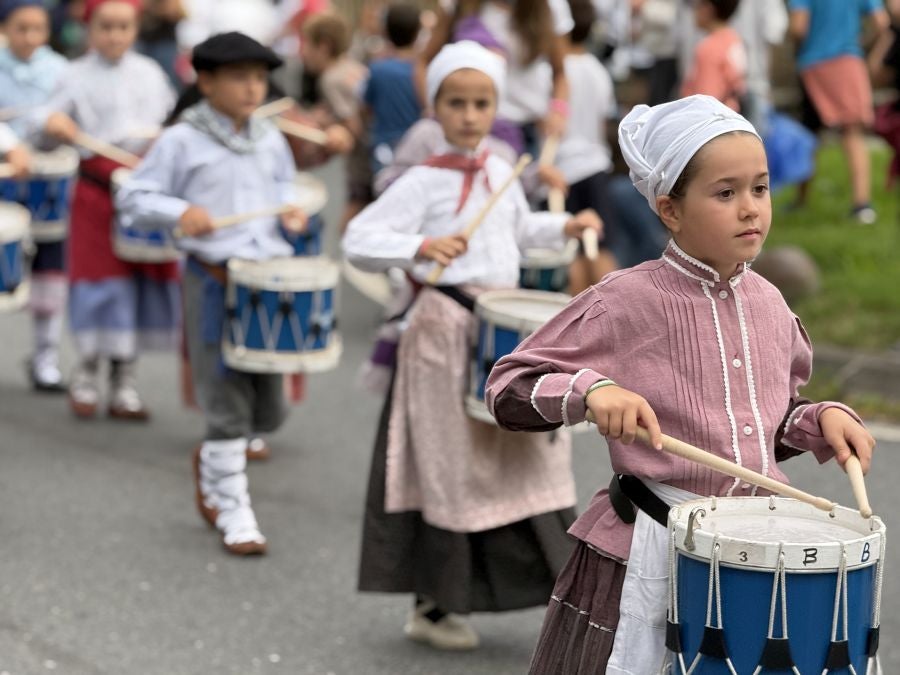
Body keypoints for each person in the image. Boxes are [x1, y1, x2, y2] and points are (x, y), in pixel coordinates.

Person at [485, 95, 876, 674]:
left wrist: (818, 420)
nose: (750, 209)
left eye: (760, 189)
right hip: (647, 545)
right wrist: (590, 392)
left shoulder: (770, 304)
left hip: (752, 556)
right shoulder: (625, 300)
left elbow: (765, 426)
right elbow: (508, 386)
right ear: (669, 210)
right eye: (726, 193)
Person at [342, 41, 601, 651]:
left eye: (480, 102)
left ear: (495, 106)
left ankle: (554, 593)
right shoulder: (422, 180)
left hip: (499, 336)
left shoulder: (501, 170)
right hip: (442, 333)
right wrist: (420, 246)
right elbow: (359, 237)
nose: (468, 114)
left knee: (524, 460)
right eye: (455, 103)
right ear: (435, 108)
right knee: (449, 467)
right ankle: (432, 604)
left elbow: (518, 231)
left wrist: (563, 225)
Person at [114, 32, 308, 555]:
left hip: (264, 281)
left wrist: (290, 211)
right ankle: (234, 511)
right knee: (225, 403)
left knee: (270, 410)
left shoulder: (268, 137)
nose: (253, 87)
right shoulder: (182, 139)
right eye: (239, 77)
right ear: (206, 82)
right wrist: (182, 213)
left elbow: (286, 189)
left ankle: (215, 461)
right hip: (211, 277)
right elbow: (133, 195)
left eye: (259, 77)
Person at [39, 0, 178, 420]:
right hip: (96, 195)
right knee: (100, 284)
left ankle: (125, 383)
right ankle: (85, 373)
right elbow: (46, 131)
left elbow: (171, 127)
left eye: (124, 27)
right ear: (90, 28)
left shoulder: (152, 74)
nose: (115, 36)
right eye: (106, 27)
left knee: (136, 285)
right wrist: (54, 127)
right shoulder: (73, 75)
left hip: (141, 192)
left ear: (135, 29)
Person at [0, 0, 69, 390]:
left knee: (50, 272)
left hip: (49, 185)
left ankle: (46, 359)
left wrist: (59, 126)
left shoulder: (60, 70)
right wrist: (9, 143)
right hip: (5, 180)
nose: (29, 37)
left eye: (38, 28)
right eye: (20, 27)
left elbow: (70, 114)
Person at [418, 0, 572, 156]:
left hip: (527, 128)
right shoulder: (458, 5)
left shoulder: (552, 6)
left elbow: (560, 72)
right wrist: (433, 108)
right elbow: (424, 60)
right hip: (466, 130)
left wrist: (558, 109)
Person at [789, 0, 890, 224]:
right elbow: (882, 23)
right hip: (849, 61)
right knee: (852, 133)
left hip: (813, 63)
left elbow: (798, 27)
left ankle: (800, 199)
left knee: (809, 134)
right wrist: (863, 45)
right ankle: (861, 204)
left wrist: (797, 41)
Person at [551, 0, 618, 293]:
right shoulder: (599, 72)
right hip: (594, 166)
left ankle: (577, 325)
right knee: (600, 247)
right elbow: (605, 120)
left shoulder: (552, 71)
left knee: (572, 253)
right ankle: (615, 318)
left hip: (560, 171)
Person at [300, 12, 369, 231]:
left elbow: (353, 125)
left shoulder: (330, 79)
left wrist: (329, 128)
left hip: (362, 163)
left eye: (308, 45)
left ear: (324, 46)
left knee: (351, 221)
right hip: (374, 153)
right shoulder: (351, 66)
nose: (303, 53)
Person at [362, 2, 422, 174]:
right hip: (416, 148)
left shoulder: (377, 69)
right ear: (418, 32)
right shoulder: (422, 71)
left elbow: (366, 108)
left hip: (384, 148)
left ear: (385, 31)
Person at [680, 0, 747, 112]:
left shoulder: (709, 48)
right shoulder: (734, 39)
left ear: (708, 9)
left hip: (711, 121)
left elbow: (705, 100)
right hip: (731, 114)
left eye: (698, 6)